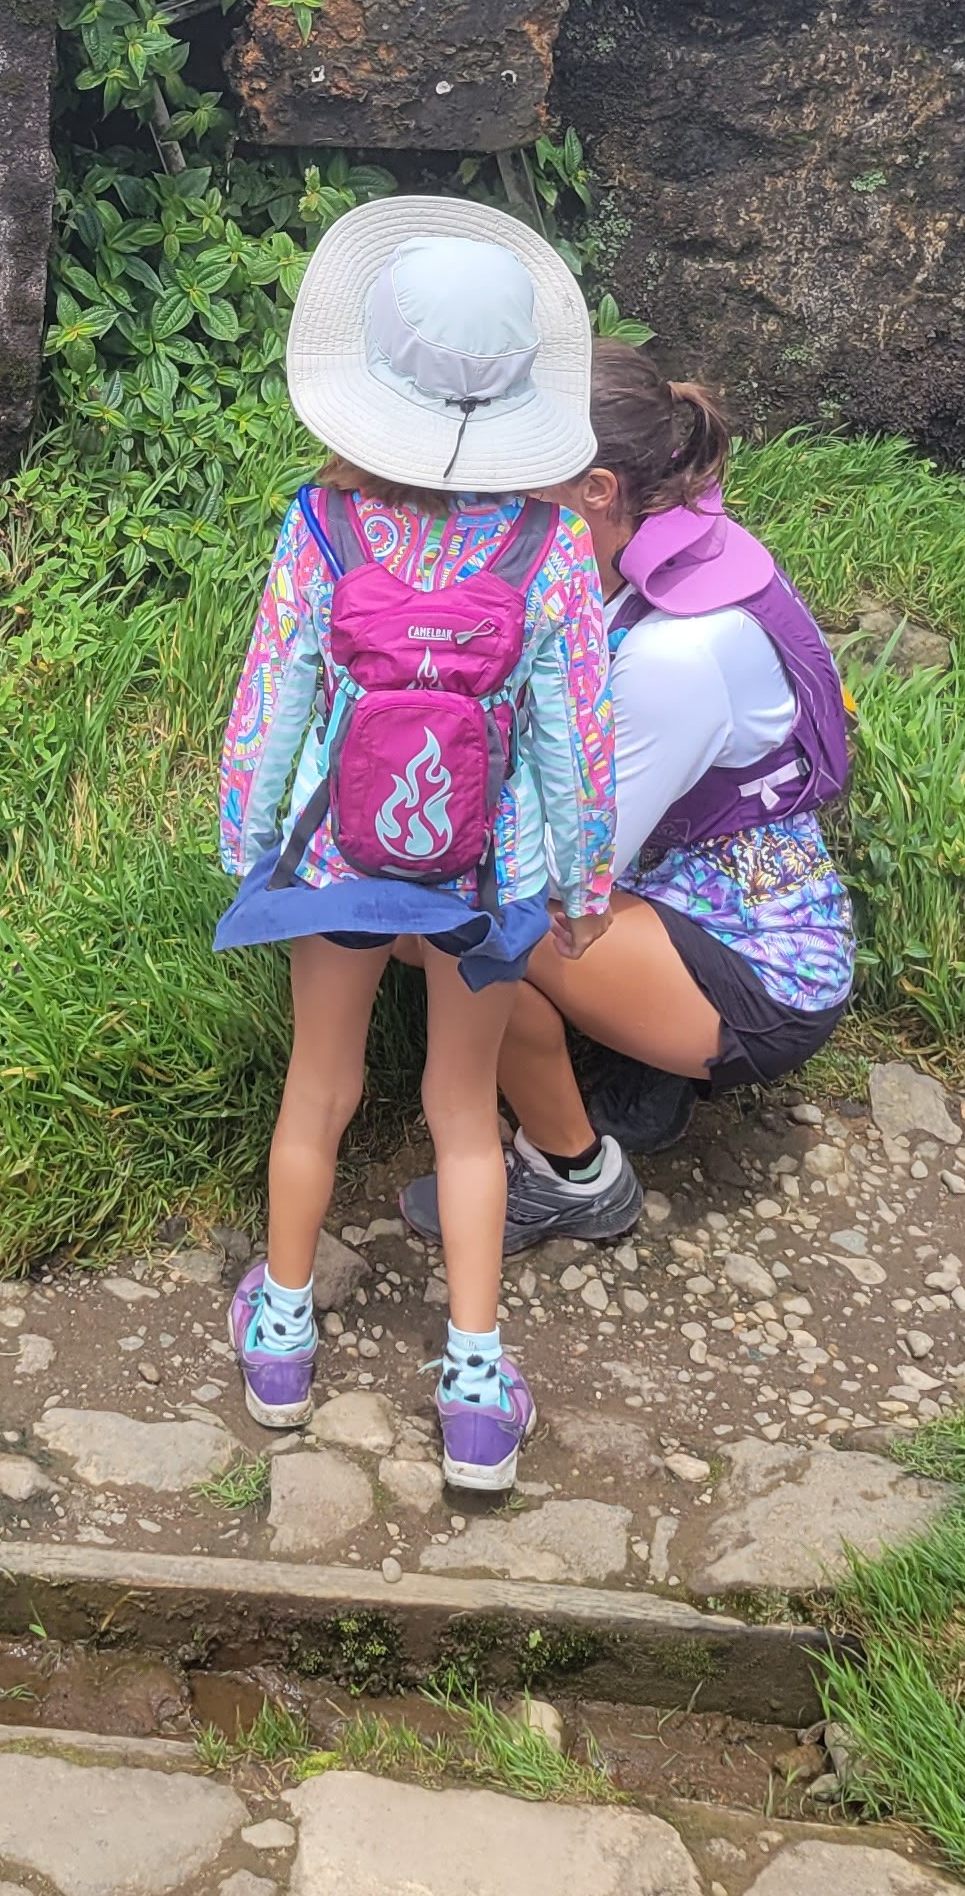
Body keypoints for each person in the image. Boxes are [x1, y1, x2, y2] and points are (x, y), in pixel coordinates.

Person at [215, 198, 614, 1493]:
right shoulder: (549, 545)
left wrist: (250, 846)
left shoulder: (324, 527)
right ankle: (477, 1393)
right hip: (483, 879)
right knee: (459, 1110)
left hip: (339, 861)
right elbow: (575, 732)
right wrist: (583, 880)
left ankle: (280, 1344)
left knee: (319, 1088)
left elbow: (274, 696)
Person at [400, 344, 858, 1245]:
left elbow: (572, 872)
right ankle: (643, 1074)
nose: (497, 509)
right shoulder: (680, 552)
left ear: (599, 489)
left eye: (522, 484)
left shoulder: (678, 653)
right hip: (706, 899)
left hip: (757, 980)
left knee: (449, 928)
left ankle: (576, 1174)